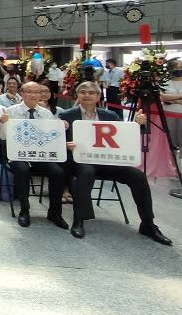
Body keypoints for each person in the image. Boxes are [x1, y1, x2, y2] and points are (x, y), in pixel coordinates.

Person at [59, 82, 171, 244]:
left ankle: (148, 223)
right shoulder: (66, 115)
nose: (87, 95)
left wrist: (139, 125)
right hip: (80, 161)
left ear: (98, 96)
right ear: (77, 95)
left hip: (109, 161)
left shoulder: (110, 116)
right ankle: (79, 219)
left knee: (137, 176)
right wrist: (66, 144)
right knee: (86, 172)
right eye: (83, 92)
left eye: (91, 93)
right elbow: (57, 141)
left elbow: (124, 138)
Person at [5, 82, 68, 230]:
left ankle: (55, 212)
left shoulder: (46, 113)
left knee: (58, 172)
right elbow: (3, 136)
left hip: (41, 155)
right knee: (22, 170)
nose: (33, 95)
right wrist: (2, 124)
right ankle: (24, 210)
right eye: (29, 91)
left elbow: (52, 137)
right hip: (18, 155)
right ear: (22, 93)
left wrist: (61, 128)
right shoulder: (11, 111)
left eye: (37, 92)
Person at [161, 59, 182, 149]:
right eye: (176, 67)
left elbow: (166, 98)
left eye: (181, 67)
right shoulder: (164, 81)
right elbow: (162, 97)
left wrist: (171, 99)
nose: (179, 69)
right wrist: (179, 100)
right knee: (170, 139)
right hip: (168, 114)